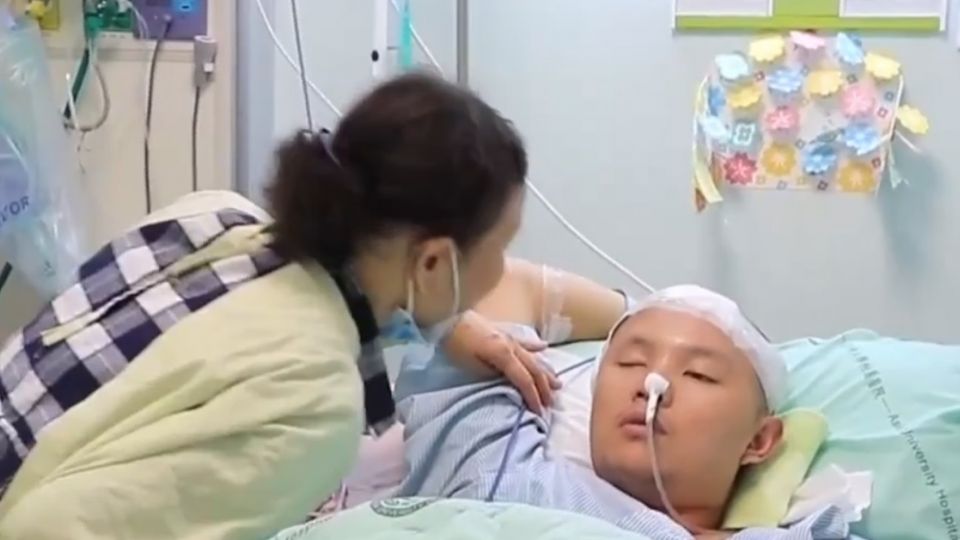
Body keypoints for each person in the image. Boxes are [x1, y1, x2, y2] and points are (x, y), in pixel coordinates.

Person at [0, 73, 557, 539]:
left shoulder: (213, 217)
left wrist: (446, 322)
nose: (503, 271)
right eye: (500, 249)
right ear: (433, 262)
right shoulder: (318, 401)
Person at [394, 285, 857, 539]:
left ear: (759, 441)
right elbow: (503, 286)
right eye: (631, 362)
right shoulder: (505, 474)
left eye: (698, 374)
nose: (652, 384)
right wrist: (641, 307)